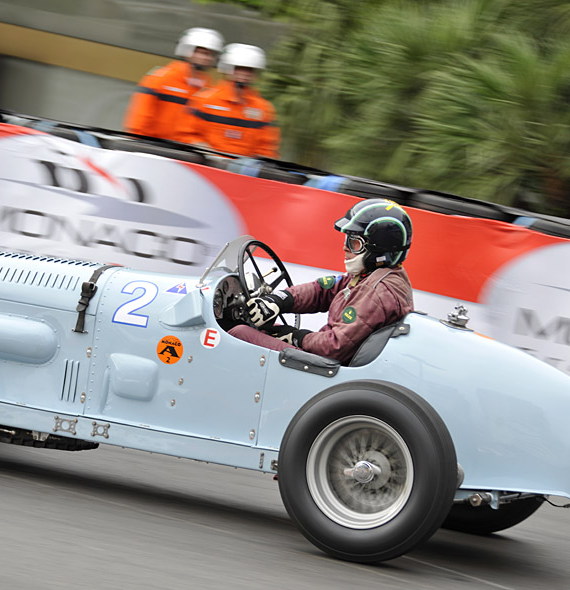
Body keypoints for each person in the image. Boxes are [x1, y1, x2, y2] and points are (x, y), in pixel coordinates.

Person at [229, 199, 415, 364]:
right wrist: (278, 300)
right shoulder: (373, 275)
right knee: (261, 327)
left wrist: (296, 337)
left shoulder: (377, 292)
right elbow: (323, 290)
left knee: (239, 334)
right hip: (328, 360)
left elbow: (335, 347)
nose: (345, 247)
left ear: (379, 250)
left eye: (354, 242)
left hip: (328, 368)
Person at [178, 43, 280, 158]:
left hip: (243, 171)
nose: (244, 74)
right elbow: (186, 135)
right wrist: (208, 154)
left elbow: (267, 148)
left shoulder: (263, 109)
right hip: (205, 167)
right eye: (239, 69)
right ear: (227, 68)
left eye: (249, 70)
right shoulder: (204, 101)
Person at [123, 27, 223, 140]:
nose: (206, 58)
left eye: (210, 55)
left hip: (186, 150)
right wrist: (135, 139)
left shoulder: (209, 87)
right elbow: (140, 114)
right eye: (201, 53)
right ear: (185, 50)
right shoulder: (161, 78)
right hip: (152, 145)